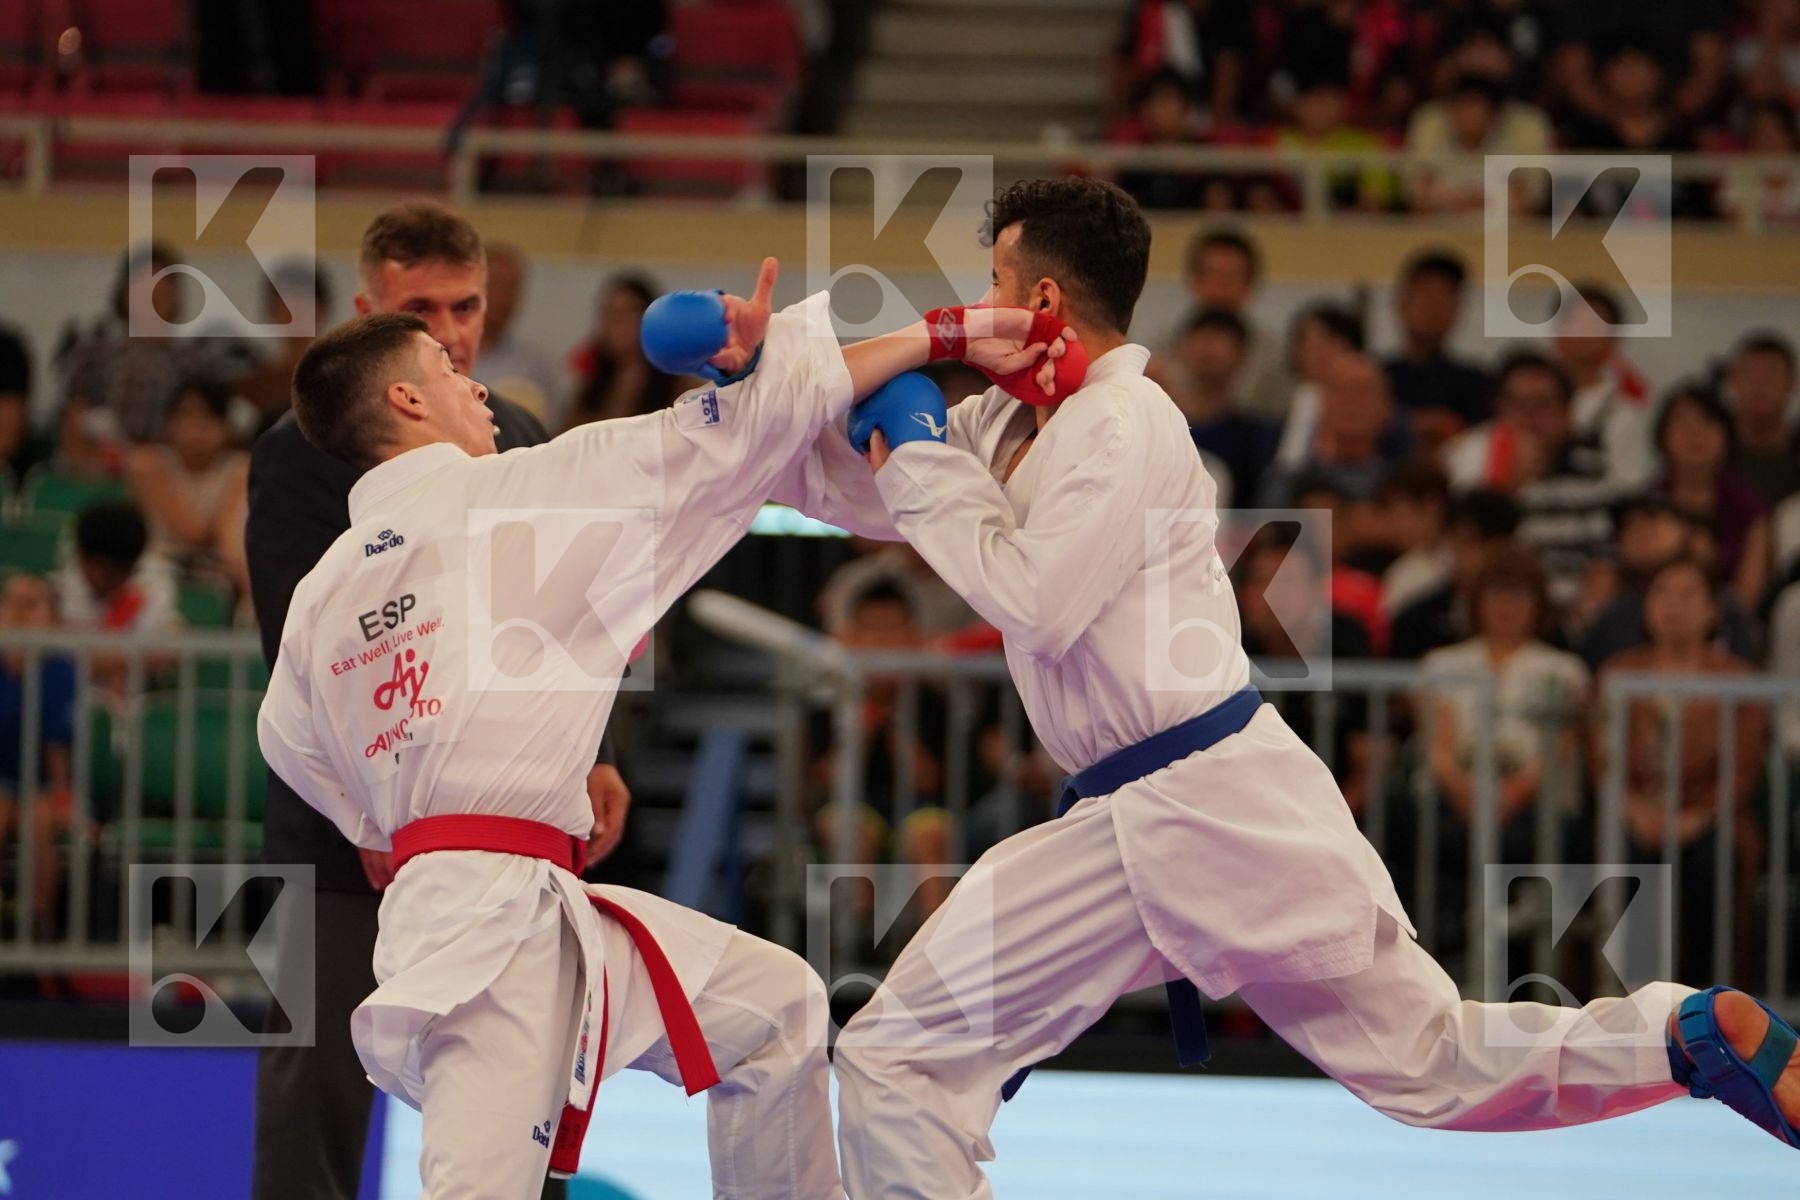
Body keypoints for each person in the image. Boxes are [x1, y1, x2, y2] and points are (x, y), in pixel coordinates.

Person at [798, 177, 1800, 1196]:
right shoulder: (1011, 427)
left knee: (901, 1056)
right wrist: (761, 390)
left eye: (995, 282)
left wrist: (919, 445)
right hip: (1203, 805)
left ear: (1044, 300)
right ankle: (1678, 1039)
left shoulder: (1123, 421)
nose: (984, 304)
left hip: (1177, 804)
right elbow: (848, 484)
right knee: (1433, 1063)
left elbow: (1031, 598)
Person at [259, 245, 1075, 1194]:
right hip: (485, 941)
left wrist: (414, 813)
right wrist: (944, 333)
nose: (474, 383)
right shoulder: (516, 492)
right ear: (405, 404)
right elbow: (731, 436)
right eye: (446, 370)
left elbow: (303, 758)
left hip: (494, 901)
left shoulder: (322, 598)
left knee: (778, 1013)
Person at [245, 201, 625, 1200]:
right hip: (335, 835)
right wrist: (367, 806)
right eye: (424, 308)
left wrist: (594, 750)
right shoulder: (300, 449)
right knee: (310, 1087)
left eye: (467, 305)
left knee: (515, 1070)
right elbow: (297, 640)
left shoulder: (523, 434)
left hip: (491, 820)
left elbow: (572, 618)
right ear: (368, 307)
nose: (453, 331)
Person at [1599, 556, 1768, 983]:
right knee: (1624, 854)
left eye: (1689, 594)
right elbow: (1602, 758)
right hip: (1634, 815)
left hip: (1712, 819)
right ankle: (1628, 1006)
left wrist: (1695, 818)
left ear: (1713, 609)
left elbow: (1743, 768)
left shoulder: (1740, 679)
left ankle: (1708, 1005)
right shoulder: (1619, 672)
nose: (1675, 605)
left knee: (1712, 862)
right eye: (1663, 593)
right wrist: (1632, 807)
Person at [0, 571, 79, 939]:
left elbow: (57, 749)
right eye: (10, 602)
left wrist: (65, 799)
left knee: (40, 819)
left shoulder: (59, 670)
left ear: (52, 618)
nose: (17, 613)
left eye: (30, 605)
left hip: (40, 785)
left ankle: (37, 925)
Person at [1655, 382, 1771, 612]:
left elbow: (1747, 595)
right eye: (1683, 423)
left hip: (1728, 624)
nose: (1695, 434)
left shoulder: (1748, 504)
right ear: (1663, 436)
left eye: (1707, 422)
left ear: (1726, 435)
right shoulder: (1649, 502)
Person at [125, 380, 249, 578]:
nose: (197, 426)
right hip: (157, 569)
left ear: (225, 425)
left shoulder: (241, 467)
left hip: (217, 571)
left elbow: (228, 538)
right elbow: (191, 532)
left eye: (208, 417)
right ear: (170, 421)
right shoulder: (148, 464)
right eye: (187, 416)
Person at [1381, 249, 1490, 451]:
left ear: (1457, 310)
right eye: (1425, 293)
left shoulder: (1476, 383)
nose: (1433, 307)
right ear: (1402, 303)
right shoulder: (1376, 376)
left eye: (1444, 296)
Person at [1176, 230, 1287, 418]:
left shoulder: (1275, 355)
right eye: (1212, 275)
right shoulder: (1163, 347)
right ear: (1193, 281)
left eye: (1231, 277)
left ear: (1250, 284)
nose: (1220, 286)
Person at [562, 275, 679, 431]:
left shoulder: (678, 384)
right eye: (610, 312)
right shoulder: (591, 382)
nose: (616, 321)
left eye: (628, 312)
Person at [474, 243, 563, 422]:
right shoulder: (443, 354)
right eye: (496, 284)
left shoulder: (535, 365)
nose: (505, 298)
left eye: (513, 287)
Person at [1725, 331, 1800, 507]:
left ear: (1791, 384)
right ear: (1733, 381)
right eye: (1750, 374)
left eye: (1771, 374)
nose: (1759, 385)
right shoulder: (1712, 451)